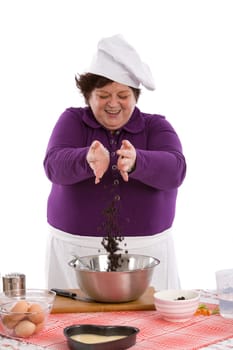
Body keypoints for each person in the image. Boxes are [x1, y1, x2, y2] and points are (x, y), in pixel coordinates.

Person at [43, 34, 186, 291]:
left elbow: (175, 169)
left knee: (151, 326)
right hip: (74, 251)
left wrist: (137, 161)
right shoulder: (73, 121)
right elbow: (53, 164)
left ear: (135, 97)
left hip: (147, 254)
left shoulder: (156, 126)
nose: (113, 103)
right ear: (88, 96)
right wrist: (85, 158)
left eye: (123, 95)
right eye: (103, 95)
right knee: (71, 326)